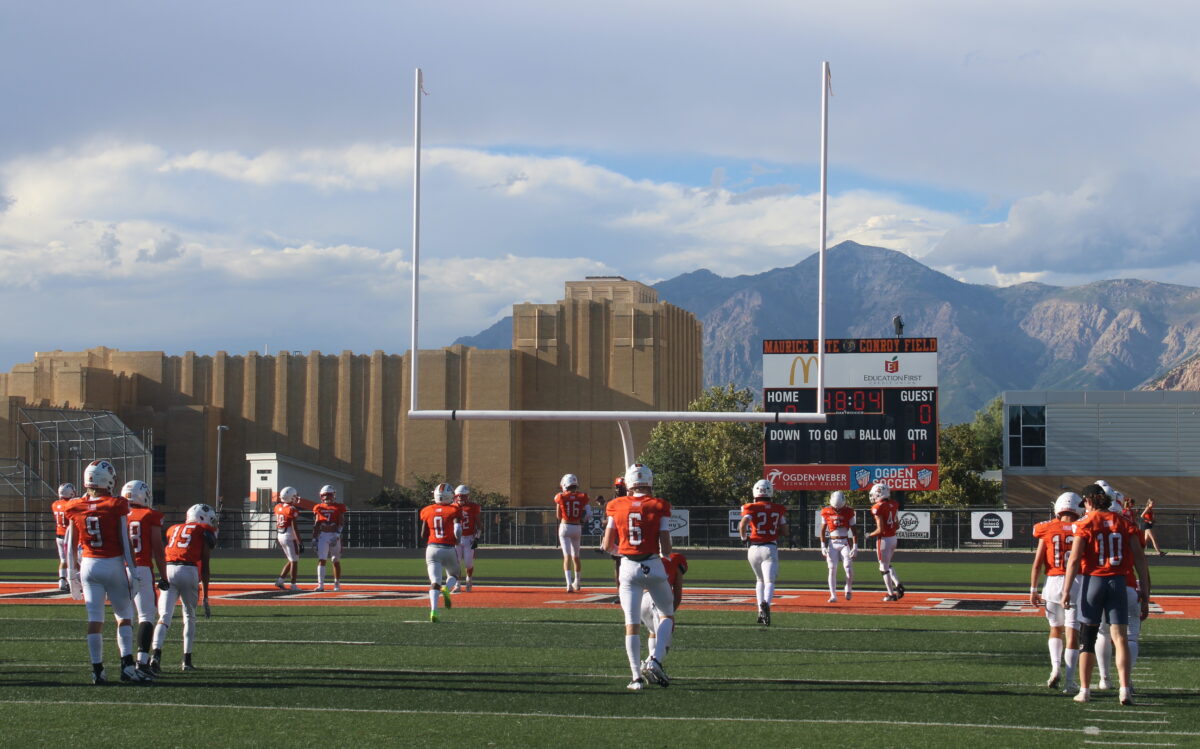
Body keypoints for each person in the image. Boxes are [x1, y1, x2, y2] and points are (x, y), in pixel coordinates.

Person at [1061, 484, 1151, 705]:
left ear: (1089, 501)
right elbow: (1141, 560)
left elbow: (1074, 560)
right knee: (1120, 639)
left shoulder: (1085, 523)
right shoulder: (1125, 522)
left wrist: (1066, 590)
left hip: (1094, 581)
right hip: (1118, 582)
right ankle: (1124, 689)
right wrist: (1146, 593)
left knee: (1087, 639)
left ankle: (1084, 690)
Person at [64, 460, 148, 684]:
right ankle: (127, 666)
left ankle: (97, 669)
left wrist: (71, 573)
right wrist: (134, 571)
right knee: (124, 616)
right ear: (107, 480)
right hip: (112, 564)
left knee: (95, 619)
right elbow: (125, 539)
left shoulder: (74, 505)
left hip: (89, 566)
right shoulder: (115, 504)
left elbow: (70, 543)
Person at [600, 463, 674, 691]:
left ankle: (635, 678)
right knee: (666, 616)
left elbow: (606, 545)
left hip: (628, 567)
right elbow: (666, 544)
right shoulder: (659, 504)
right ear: (649, 482)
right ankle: (655, 659)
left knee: (631, 624)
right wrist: (665, 554)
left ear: (629, 484)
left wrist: (620, 552)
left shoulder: (615, 505)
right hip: (652, 563)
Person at [151, 503, 218, 673]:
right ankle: (186, 661)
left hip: (168, 569)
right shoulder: (204, 532)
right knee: (189, 616)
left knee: (164, 616)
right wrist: (206, 597)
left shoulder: (172, 528)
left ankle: (155, 656)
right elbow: (205, 567)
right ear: (202, 518)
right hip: (188, 570)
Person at [1030, 491, 1084, 693]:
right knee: (1073, 634)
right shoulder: (1082, 526)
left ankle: (1055, 668)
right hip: (1076, 583)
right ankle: (1070, 682)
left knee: (1055, 628)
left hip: (1052, 583)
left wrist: (1033, 590)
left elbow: (1037, 564)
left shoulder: (1046, 528)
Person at [122, 480, 168, 673]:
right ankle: (142, 661)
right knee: (146, 616)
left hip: (120, 568)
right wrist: (164, 576)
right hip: (141, 567)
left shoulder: (118, 514)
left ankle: (125, 662)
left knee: (123, 618)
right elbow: (158, 549)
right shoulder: (150, 515)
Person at [738, 479, 788, 624]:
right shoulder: (778, 508)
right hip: (769, 548)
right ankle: (766, 603)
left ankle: (760, 611)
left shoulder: (750, 507)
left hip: (753, 548)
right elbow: (785, 530)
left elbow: (742, 524)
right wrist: (776, 530)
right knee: (770, 581)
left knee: (759, 580)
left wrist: (743, 538)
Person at [419, 483, 461, 622]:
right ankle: (447, 589)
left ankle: (434, 610)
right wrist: (457, 540)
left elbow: (423, 534)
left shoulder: (426, 510)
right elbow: (458, 529)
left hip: (432, 549)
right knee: (455, 574)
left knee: (435, 582)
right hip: (448, 548)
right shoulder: (454, 509)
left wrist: (432, 539)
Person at [641, 551, 687, 669]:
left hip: (642, 599)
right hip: (659, 598)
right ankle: (649, 665)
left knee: (653, 632)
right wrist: (669, 615)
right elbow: (677, 595)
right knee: (664, 645)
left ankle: (649, 665)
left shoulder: (646, 557)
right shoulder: (676, 559)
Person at [554, 473, 592, 592]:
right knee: (576, 556)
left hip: (565, 526)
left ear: (565, 485)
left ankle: (569, 584)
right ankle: (578, 582)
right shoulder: (582, 496)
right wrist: (582, 519)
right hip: (577, 527)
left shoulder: (560, 497)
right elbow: (589, 513)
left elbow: (558, 516)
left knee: (567, 556)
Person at [868, 483, 905, 601]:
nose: (873, 497)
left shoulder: (877, 507)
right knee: (887, 565)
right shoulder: (894, 504)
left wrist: (869, 535)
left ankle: (890, 594)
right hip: (894, 538)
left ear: (879, 494)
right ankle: (898, 584)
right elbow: (897, 525)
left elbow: (880, 529)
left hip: (884, 540)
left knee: (883, 567)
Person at [819, 490, 856, 603]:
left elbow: (854, 531)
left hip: (845, 542)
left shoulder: (849, 511)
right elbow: (822, 530)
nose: (837, 510)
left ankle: (848, 588)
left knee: (848, 568)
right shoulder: (826, 511)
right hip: (832, 543)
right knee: (831, 569)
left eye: (839, 508)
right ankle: (833, 595)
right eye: (836, 508)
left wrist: (855, 546)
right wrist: (822, 546)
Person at [273, 487, 310, 590]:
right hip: (289, 536)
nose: (296, 498)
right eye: (295, 496)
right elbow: (294, 527)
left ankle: (280, 581)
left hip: (280, 534)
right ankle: (293, 584)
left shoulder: (278, 507)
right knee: (294, 560)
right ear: (291, 497)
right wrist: (300, 542)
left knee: (292, 559)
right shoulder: (291, 509)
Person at [311, 485, 346, 591]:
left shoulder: (338, 507)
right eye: (325, 495)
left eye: (329, 495)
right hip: (323, 535)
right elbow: (316, 524)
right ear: (321, 496)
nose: (327, 497)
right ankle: (320, 584)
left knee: (335, 560)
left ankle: (337, 584)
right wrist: (314, 538)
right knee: (322, 559)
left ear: (333, 495)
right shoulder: (318, 507)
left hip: (334, 534)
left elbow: (341, 522)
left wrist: (337, 535)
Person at [453, 485, 482, 591]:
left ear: (467, 496)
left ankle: (469, 578)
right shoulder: (452, 506)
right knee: (456, 562)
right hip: (456, 539)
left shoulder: (473, 507)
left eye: (463, 496)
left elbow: (479, 525)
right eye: (459, 496)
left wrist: (477, 539)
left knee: (468, 563)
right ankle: (457, 584)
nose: (460, 498)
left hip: (469, 538)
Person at [52, 483, 77, 591]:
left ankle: (62, 581)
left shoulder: (55, 504)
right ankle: (74, 581)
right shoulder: (71, 504)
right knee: (73, 559)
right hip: (68, 536)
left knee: (63, 559)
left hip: (58, 535)